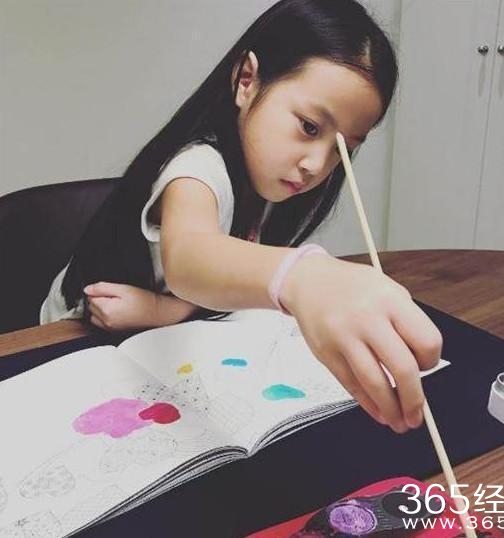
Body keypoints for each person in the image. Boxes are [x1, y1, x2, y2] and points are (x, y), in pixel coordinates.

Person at [40, 0, 442, 434]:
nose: (317, 164)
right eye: (309, 127)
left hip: (162, 338)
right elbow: (191, 256)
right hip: (74, 342)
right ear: (247, 80)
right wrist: (302, 276)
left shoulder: (269, 178)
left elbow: (220, 276)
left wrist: (168, 310)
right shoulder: (197, 168)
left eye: (343, 148)